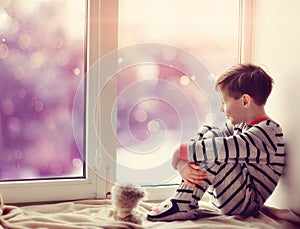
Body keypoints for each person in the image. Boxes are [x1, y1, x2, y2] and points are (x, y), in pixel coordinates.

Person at [147, 63, 285, 221]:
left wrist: (179, 152)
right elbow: (209, 140)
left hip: (245, 203)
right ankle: (184, 198)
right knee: (209, 132)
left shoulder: (268, 133)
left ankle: (183, 202)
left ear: (245, 101)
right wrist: (182, 164)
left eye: (224, 102)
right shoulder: (241, 126)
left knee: (216, 146)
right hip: (229, 194)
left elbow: (220, 148)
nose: (221, 109)